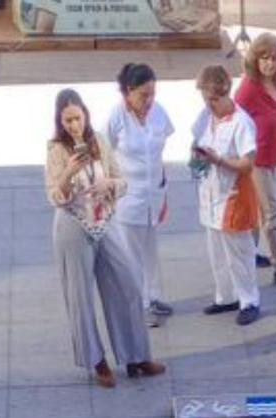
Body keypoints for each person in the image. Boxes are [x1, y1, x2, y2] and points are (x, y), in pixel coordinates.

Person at [45, 90, 163, 388]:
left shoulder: (98, 140)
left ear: (85, 115)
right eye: (68, 120)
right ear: (60, 121)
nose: (74, 125)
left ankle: (137, 355)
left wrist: (109, 184)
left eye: (78, 118)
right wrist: (69, 172)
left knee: (129, 284)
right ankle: (97, 361)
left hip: (105, 219)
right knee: (80, 297)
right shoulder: (56, 150)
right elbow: (54, 196)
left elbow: (122, 181)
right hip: (73, 225)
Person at [105, 62, 174, 327]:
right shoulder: (115, 117)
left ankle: (153, 296)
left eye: (152, 94)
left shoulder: (159, 114)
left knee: (150, 251)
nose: (149, 101)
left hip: (153, 195)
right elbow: (103, 153)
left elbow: (161, 150)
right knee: (130, 256)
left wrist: (163, 189)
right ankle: (138, 306)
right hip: (128, 199)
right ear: (128, 92)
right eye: (143, 95)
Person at [192, 64, 260, 327]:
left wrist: (219, 160)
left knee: (240, 253)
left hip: (233, 195)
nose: (209, 104)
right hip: (210, 194)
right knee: (217, 252)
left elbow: (247, 164)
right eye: (206, 99)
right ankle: (226, 296)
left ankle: (249, 300)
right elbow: (196, 139)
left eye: (213, 99)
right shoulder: (205, 116)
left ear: (224, 94)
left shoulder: (241, 123)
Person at [234, 33, 276, 292]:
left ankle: (248, 253)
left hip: (272, 158)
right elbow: (235, 117)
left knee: (256, 212)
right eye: (264, 58)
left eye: (274, 59)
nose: (269, 64)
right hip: (257, 161)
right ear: (255, 59)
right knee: (270, 214)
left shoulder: (274, 84)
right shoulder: (248, 89)